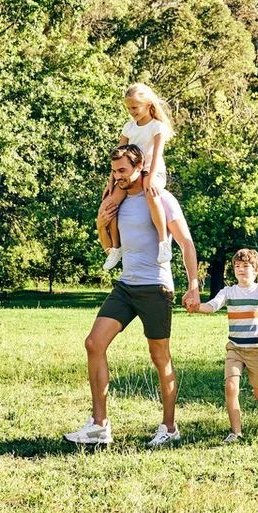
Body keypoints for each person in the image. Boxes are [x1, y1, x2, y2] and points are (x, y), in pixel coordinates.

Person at [66, 143, 200, 447]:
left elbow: (186, 243)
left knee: (159, 356)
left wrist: (193, 284)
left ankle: (169, 427)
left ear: (140, 167)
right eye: (114, 171)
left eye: (123, 170)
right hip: (126, 285)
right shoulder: (118, 200)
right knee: (93, 343)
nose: (117, 176)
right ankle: (99, 425)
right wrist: (101, 224)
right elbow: (109, 247)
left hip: (155, 287)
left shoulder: (161, 198)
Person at [185, 248, 258, 442]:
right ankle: (236, 433)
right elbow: (212, 306)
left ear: (255, 269)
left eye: (245, 266)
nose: (240, 269)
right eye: (237, 266)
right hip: (235, 348)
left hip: (257, 350)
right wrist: (196, 307)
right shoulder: (229, 291)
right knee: (230, 386)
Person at [98, 83, 174, 271]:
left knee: (151, 194)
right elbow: (118, 156)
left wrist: (151, 177)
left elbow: (156, 155)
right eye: (129, 109)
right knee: (110, 203)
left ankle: (163, 242)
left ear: (148, 104)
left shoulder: (157, 126)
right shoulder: (129, 127)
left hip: (152, 170)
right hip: (131, 173)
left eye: (135, 107)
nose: (132, 112)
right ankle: (116, 247)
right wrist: (111, 182)